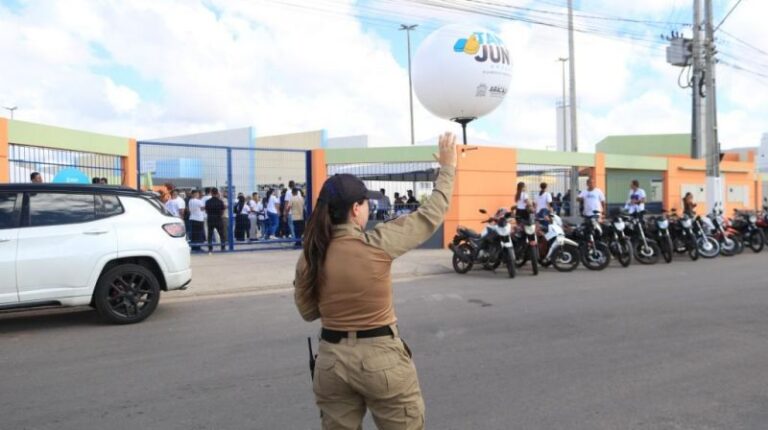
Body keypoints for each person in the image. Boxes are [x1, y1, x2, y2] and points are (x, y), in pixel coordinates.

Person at [294, 131, 457, 430]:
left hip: (331, 363)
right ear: (356, 209)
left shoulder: (310, 254)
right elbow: (431, 214)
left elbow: (308, 312)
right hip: (381, 360)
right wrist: (448, 168)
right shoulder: (377, 244)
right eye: (366, 203)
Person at [205, 188, 227, 252]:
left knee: (210, 235)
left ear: (211, 193)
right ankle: (223, 247)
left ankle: (210, 248)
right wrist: (220, 215)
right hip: (218, 219)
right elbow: (223, 211)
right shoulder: (220, 202)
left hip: (210, 219)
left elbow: (206, 211)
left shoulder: (208, 201)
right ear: (217, 193)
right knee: (221, 234)